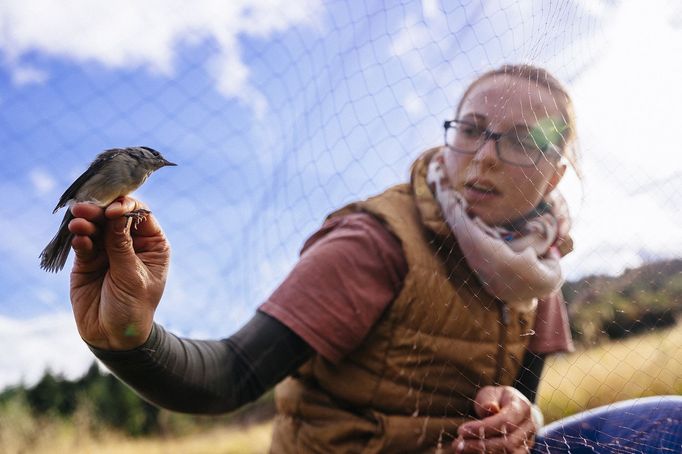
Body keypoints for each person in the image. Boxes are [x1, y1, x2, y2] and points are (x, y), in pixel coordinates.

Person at [67, 64, 579, 453]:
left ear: (554, 177)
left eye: (520, 141)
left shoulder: (540, 267)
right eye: (471, 129)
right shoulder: (375, 241)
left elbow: (523, 393)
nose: (485, 156)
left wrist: (522, 414)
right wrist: (128, 337)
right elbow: (229, 376)